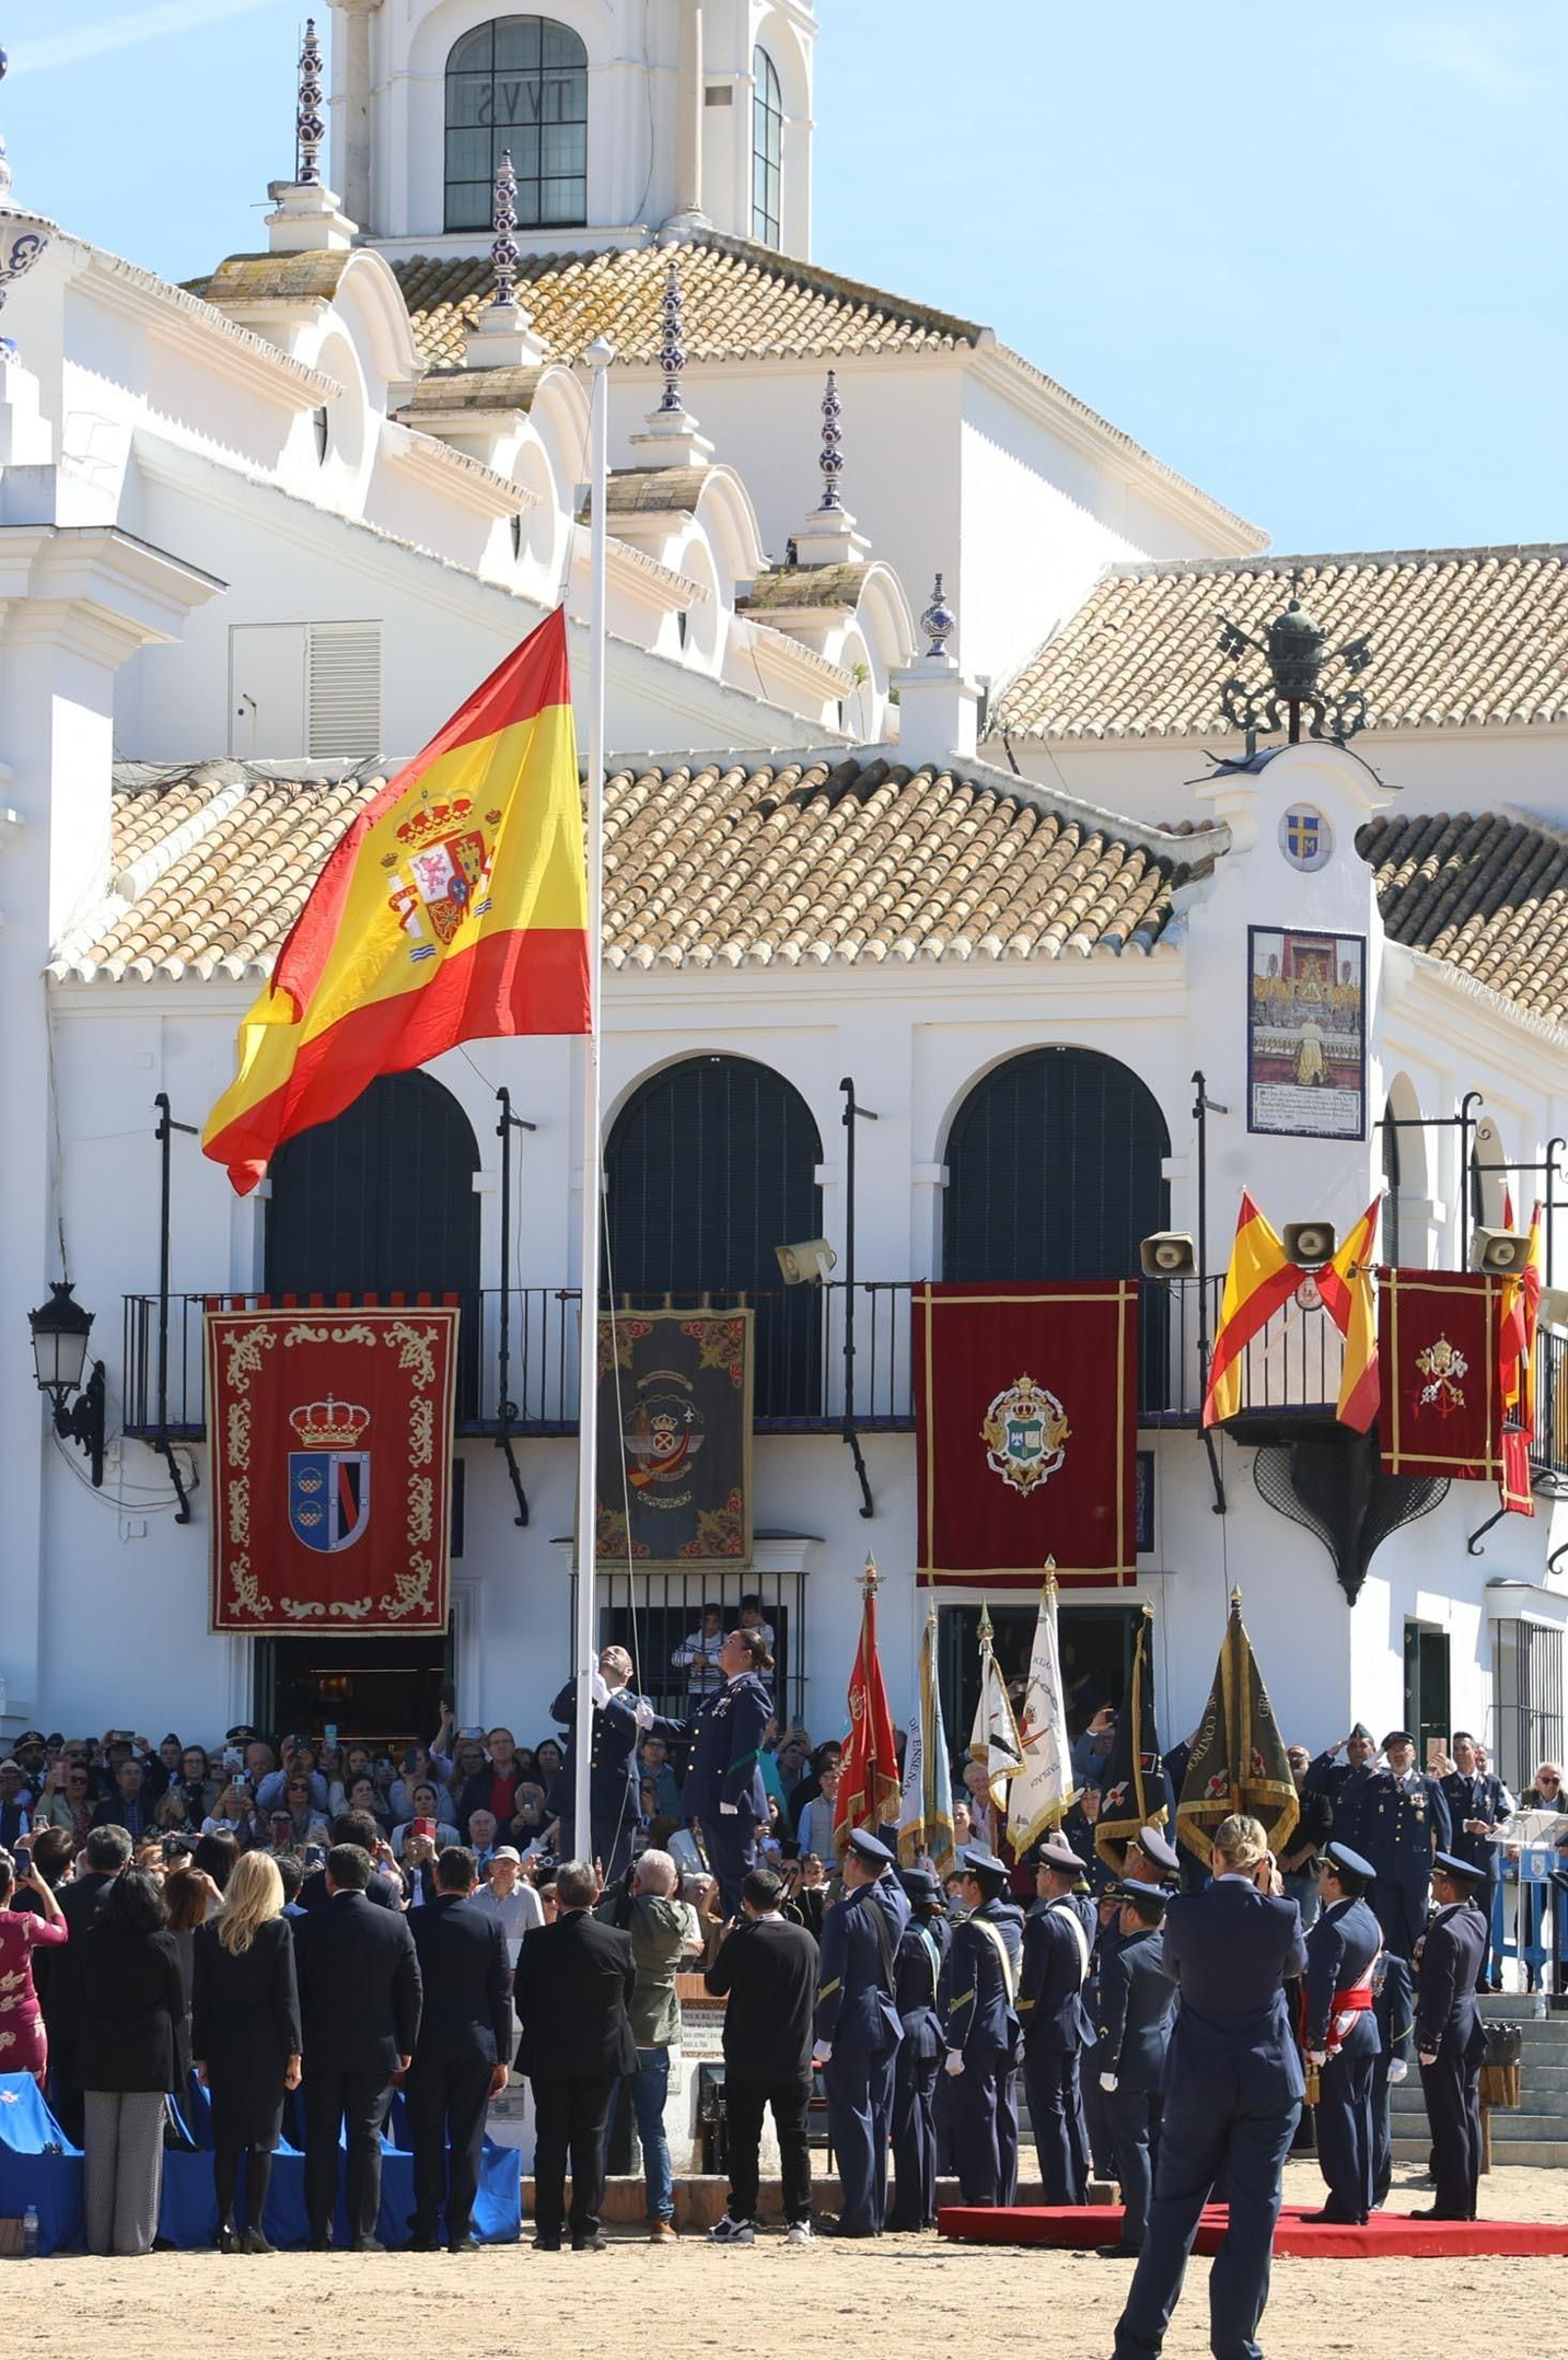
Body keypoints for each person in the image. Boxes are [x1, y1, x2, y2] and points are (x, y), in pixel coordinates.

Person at [1110, 1813, 1307, 2360]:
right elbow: (1295, 1966)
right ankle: (1234, 2343)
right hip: (1266, 2080)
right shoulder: (1283, 1912)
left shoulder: (1183, 1913)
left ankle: (1137, 2343)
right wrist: (1271, 1896)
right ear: (1262, 1862)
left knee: (1172, 2215)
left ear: (1214, 1857)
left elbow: (1174, 1970)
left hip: (1198, 2079)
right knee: (1252, 2218)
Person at [292, 1842, 422, 2251]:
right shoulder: (394, 1924)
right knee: (367, 2139)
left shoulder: (308, 1925)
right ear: (368, 1878)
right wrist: (407, 2043)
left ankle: (321, 2232)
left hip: (321, 2046)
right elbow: (411, 1989)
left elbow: (293, 1992)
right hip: (375, 2045)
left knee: (321, 2137)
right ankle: (365, 2233)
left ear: (329, 1879)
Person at [513, 1857, 636, 2253]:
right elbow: (625, 1998)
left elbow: (523, 2000)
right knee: (590, 2140)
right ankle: (586, 2227)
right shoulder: (617, 1941)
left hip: (550, 2051)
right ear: (596, 1895)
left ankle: (548, 2229)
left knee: (550, 2139)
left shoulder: (539, 1941)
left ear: (558, 1898)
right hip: (600, 2052)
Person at [191, 1849, 302, 2254]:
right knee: (261, 2141)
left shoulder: (208, 1933)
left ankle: (224, 2223)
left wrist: (201, 2053)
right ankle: (253, 2227)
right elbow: (287, 1998)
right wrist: (295, 2052)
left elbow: (200, 1999)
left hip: (222, 2043)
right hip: (266, 2046)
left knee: (226, 2140)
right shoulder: (277, 1931)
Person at [704, 1865, 819, 2246]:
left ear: (747, 1903)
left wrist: (723, 1941)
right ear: (781, 1900)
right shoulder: (806, 1940)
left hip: (748, 2058)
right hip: (794, 2058)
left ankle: (741, 2217)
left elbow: (715, 1986)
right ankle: (800, 2220)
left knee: (743, 2141)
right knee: (795, 2141)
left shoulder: (743, 1939)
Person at [404, 1846, 511, 2253]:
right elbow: (500, 1994)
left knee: (426, 2137)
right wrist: (502, 2055)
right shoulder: (489, 1925)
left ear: (436, 1878)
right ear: (474, 1883)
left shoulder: (413, 1921)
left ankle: (426, 2227)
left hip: (424, 2043)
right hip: (474, 2043)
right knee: (467, 2138)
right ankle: (461, 2229)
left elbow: (403, 1989)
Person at [76, 1866, 186, 2257]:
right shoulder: (162, 1942)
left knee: (100, 2147)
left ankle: (98, 2237)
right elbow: (178, 2002)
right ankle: (133, 2238)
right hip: (148, 2053)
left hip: (99, 2049)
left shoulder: (90, 1941)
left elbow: (80, 1995)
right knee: (141, 2150)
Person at [811, 1828, 909, 2237]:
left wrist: (824, 2034)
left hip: (852, 2022)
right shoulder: (896, 1903)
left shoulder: (844, 1914)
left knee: (853, 2120)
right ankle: (871, 2212)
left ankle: (859, 2216)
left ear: (853, 1864)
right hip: (886, 2018)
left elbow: (833, 1980)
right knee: (876, 2118)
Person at [595, 1846, 688, 2242]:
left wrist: (617, 1890)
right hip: (655, 2033)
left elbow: (598, 1918)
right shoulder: (681, 1917)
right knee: (653, 2130)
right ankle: (660, 2217)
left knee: (598, 2127)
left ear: (635, 1880)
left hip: (618, 2031)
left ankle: (588, 2210)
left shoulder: (620, 1913)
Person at [661, 1628, 775, 1918]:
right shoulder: (724, 1691)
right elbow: (690, 1728)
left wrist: (730, 1796)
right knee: (724, 1878)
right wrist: (651, 1721)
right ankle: (734, 1940)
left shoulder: (750, 1691)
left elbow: (748, 1751)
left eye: (730, 1642)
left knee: (737, 1876)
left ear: (747, 1655)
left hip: (729, 1801)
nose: (722, 1647)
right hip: (712, 1799)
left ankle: (749, 1938)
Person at [1299, 1842, 1382, 2226]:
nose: (1319, 1877)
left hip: (1338, 2032)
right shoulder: (1366, 1917)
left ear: (1335, 1881)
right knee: (1360, 2116)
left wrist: (1315, 2040)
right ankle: (1360, 2196)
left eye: (1324, 1872)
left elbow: (1320, 1989)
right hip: (1364, 2027)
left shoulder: (1332, 1928)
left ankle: (1346, 2202)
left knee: (1337, 2119)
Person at [938, 1846, 1024, 2209]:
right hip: (1007, 2028)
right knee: (1004, 2115)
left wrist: (955, 2045)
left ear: (974, 1887)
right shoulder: (1013, 1920)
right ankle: (1004, 2194)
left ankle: (982, 2196)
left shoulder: (972, 1930)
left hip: (977, 2034)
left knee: (979, 2117)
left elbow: (965, 1994)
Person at [1095, 1881, 1175, 2258]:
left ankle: (1137, 2232)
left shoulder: (1120, 1956)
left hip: (1128, 2062)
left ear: (1130, 1912)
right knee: (1158, 2149)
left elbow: (1116, 2019)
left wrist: (1108, 2064)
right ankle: (1160, 2227)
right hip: (1163, 2059)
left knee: (1134, 2149)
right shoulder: (1170, 1952)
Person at [1409, 1850, 1489, 2221]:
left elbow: (1439, 1990)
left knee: (1450, 2117)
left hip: (1448, 2030)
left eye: (1436, 1881)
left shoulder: (1444, 1929)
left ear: (1445, 1885)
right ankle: (1464, 2199)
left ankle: (1453, 2204)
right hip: (1469, 2023)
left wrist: (1429, 2040)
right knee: (1466, 2116)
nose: (1432, 1886)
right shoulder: (1475, 1918)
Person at [46, 1822, 133, 2143]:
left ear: (87, 1857)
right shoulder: (133, 1903)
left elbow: (44, 1962)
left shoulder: (60, 1899)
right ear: (126, 1862)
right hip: (116, 2020)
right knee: (111, 2120)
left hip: (65, 2012)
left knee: (69, 2111)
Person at [1019, 1835, 1094, 2204]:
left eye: (1041, 1872)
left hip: (1045, 2028)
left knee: (1050, 2116)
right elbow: (1084, 1900)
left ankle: (1061, 2196)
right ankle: (1078, 2188)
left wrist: (1021, 2027)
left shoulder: (1042, 1924)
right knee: (1073, 2111)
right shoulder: (1085, 1914)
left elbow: (1030, 1990)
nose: (1036, 1878)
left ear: (1049, 1876)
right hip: (1074, 2025)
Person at [1337, 1732, 1451, 1959]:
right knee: (1383, 1924)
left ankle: (1416, 1977)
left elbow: (1444, 1829)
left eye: (1403, 1750)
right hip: (1382, 1866)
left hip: (1415, 1868)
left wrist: (1442, 1868)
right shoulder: (1376, 1783)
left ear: (1413, 1754)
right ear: (1387, 1756)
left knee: (1416, 1923)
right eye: (1393, 1751)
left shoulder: (1428, 1785)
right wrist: (1373, 1758)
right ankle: (1384, 1980)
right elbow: (1348, 1793)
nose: (1398, 1755)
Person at [551, 1648, 655, 1880]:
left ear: (628, 1671)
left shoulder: (639, 1701)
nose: (609, 1653)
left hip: (614, 1802)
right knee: (572, 1876)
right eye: (606, 1651)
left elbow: (633, 1727)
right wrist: (583, 1676)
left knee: (615, 1878)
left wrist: (606, 1700)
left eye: (617, 1652)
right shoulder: (583, 1694)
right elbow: (558, 1711)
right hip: (577, 1799)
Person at [887, 1865, 950, 2233]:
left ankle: (911, 2211)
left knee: (909, 2129)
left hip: (909, 2033)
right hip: (931, 2030)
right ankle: (923, 2207)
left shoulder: (908, 1939)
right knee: (923, 2125)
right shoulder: (940, 1931)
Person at [1439, 1732, 1513, 1991]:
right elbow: (1442, 1822)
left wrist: (1501, 1828)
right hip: (1458, 1865)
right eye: (1455, 1749)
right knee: (1456, 1921)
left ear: (1475, 1752)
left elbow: (1507, 1816)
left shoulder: (1491, 1783)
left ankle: (1480, 1978)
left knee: (1485, 1922)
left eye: (1464, 1748)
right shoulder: (1445, 1785)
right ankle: (1458, 1978)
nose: (1459, 1753)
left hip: (1485, 1863)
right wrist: (1465, 1825)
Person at [0, 1844, 69, 2086]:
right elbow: (60, 1933)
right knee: (27, 2101)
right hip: (23, 2022)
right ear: (12, 1886)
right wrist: (42, 1889)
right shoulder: (23, 1923)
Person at [1369, 1946, 1413, 2208]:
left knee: (1377, 2122)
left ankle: (1377, 2190)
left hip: (1380, 2053)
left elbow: (1403, 2012)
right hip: (1346, 2050)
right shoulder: (1346, 1958)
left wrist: (1401, 2054)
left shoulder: (1392, 1965)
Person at [1278, 1746, 1335, 1930]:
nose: (1294, 1759)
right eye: (1290, 1756)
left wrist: (1299, 1858)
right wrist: (1279, 1856)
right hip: (1279, 1872)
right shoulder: (1277, 1794)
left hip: (1309, 1873)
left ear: (1309, 1763)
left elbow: (1323, 1829)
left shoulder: (1320, 1794)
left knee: (1308, 1924)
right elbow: (1267, 1825)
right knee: (1280, 1923)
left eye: (1299, 1756)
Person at [1304, 1724, 1377, 1816]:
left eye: (1363, 1746)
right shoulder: (1337, 1775)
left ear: (1374, 1750)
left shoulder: (1382, 1777)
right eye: (1353, 1746)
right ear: (1347, 1750)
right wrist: (1330, 1754)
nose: (1358, 1750)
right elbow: (1310, 1781)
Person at [672, 1604, 727, 1699]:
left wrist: (706, 1660)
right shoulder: (692, 1639)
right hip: (696, 1691)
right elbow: (675, 1659)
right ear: (701, 1622)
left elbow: (728, 1659)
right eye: (707, 1620)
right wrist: (694, 1657)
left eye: (715, 1620)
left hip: (718, 1690)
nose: (711, 1624)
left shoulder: (725, 1639)